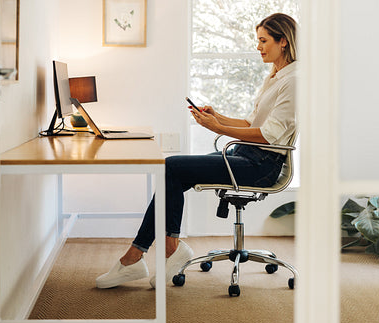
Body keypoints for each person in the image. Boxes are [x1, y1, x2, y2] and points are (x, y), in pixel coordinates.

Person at [96, 13, 298, 289]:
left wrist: (218, 129)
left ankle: (148, 254)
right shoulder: (275, 77)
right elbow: (253, 123)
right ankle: (144, 254)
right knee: (172, 170)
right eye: (258, 41)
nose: (258, 46)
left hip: (262, 166)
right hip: (247, 154)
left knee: (172, 167)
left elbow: (267, 135)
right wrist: (219, 117)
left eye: (263, 41)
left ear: (283, 41)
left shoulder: (295, 80)